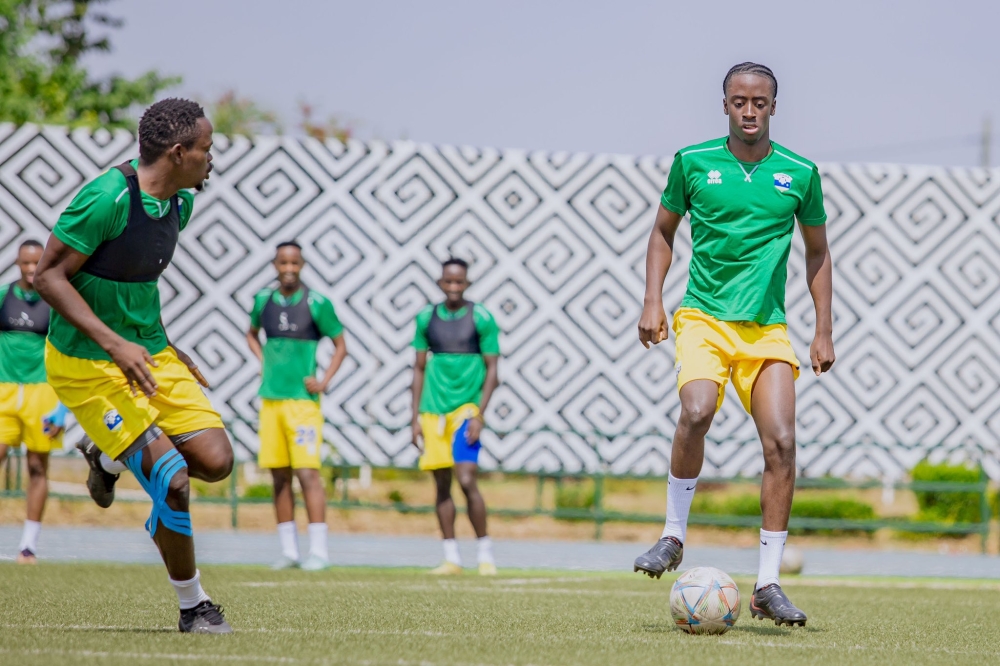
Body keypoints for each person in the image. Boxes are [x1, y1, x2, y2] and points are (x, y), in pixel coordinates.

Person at [633, 62, 835, 627]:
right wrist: (653, 299)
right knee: (696, 411)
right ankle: (673, 537)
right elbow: (662, 232)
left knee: (782, 442)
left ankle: (768, 584)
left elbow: (818, 252)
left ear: (774, 107)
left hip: (766, 328)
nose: (750, 111)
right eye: (739, 101)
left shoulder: (799, 172)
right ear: (724, 104)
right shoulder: (693, 162)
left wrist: (823, 327)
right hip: (703, 318)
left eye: (760, 102)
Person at [34, 98, 235, 633]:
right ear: (177, 152)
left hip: (149, 352)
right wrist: (114, 345)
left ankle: (107, 458)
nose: (212, 158)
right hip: (86, 363)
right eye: (206, 149)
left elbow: (135, 285)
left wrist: (164, 343)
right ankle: (194, 606)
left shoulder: (179, 206)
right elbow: (48, 277)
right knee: (171, 480)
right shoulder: (106, 199)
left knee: (216, 461)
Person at [247, 241, 347, 571]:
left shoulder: (317, 303)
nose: (288, 269)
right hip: (271, 401)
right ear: (275, 265)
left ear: (302, 265)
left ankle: (319, 552)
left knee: (308, 474)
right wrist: (264, 361)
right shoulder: (262, 300)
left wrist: (325, 381)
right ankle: (289, 551)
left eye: (294, 263)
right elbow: (251, 334)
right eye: (283, 263)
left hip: (303, 404)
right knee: (279, 476)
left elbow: (340, 345)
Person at [411, 258, 500, 576]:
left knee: (466, 479)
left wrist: (479, 414)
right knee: (441, 483)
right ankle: (451, 557)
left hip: (465, 411)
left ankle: (485, 553)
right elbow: (419, 368)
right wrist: (414, 418)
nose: (453, 287)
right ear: (439, 283)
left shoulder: (481, 318)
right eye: (448, 282)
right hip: (433, 411)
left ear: (466, 284)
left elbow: (493, 371)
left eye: (459, 282)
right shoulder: (425, 318)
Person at [0, 240, 68, 564]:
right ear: (17, 263)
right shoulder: (3, 296)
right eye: (25, 263)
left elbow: (68, 353)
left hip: (43, 392)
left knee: (37, 466)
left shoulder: (55, 301)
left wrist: (62, 408)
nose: (30, 269)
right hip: (5, 390)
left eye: (36, 263)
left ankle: (28, 545)